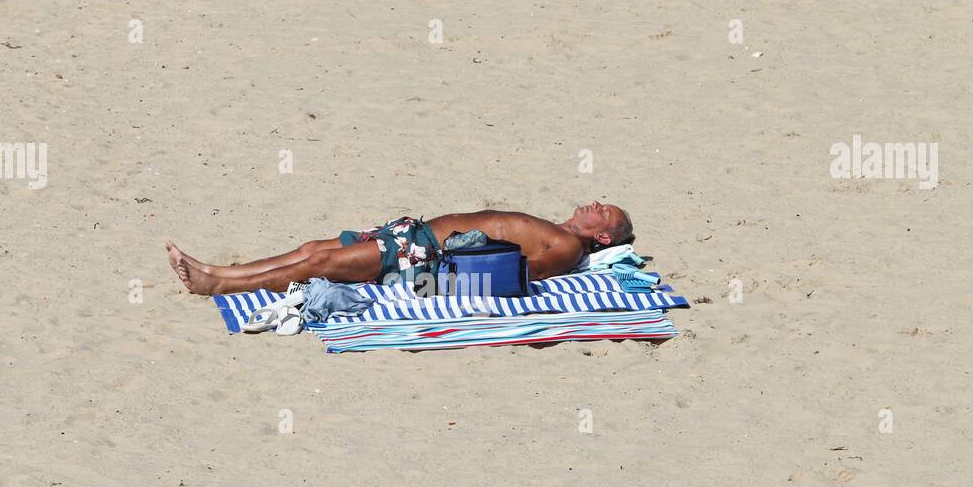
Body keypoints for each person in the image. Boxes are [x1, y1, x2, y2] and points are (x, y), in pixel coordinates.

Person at [166, 202, 633, 296]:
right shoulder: (557, 226)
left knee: (321, 263)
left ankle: (216, 286)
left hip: (424, 254)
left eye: (604, 212)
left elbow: (520, 272)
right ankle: (222, 270)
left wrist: (445, 273)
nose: (593, 204)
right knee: (313, 247)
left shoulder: (569, 246)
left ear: (604, 237)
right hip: (413, 233)